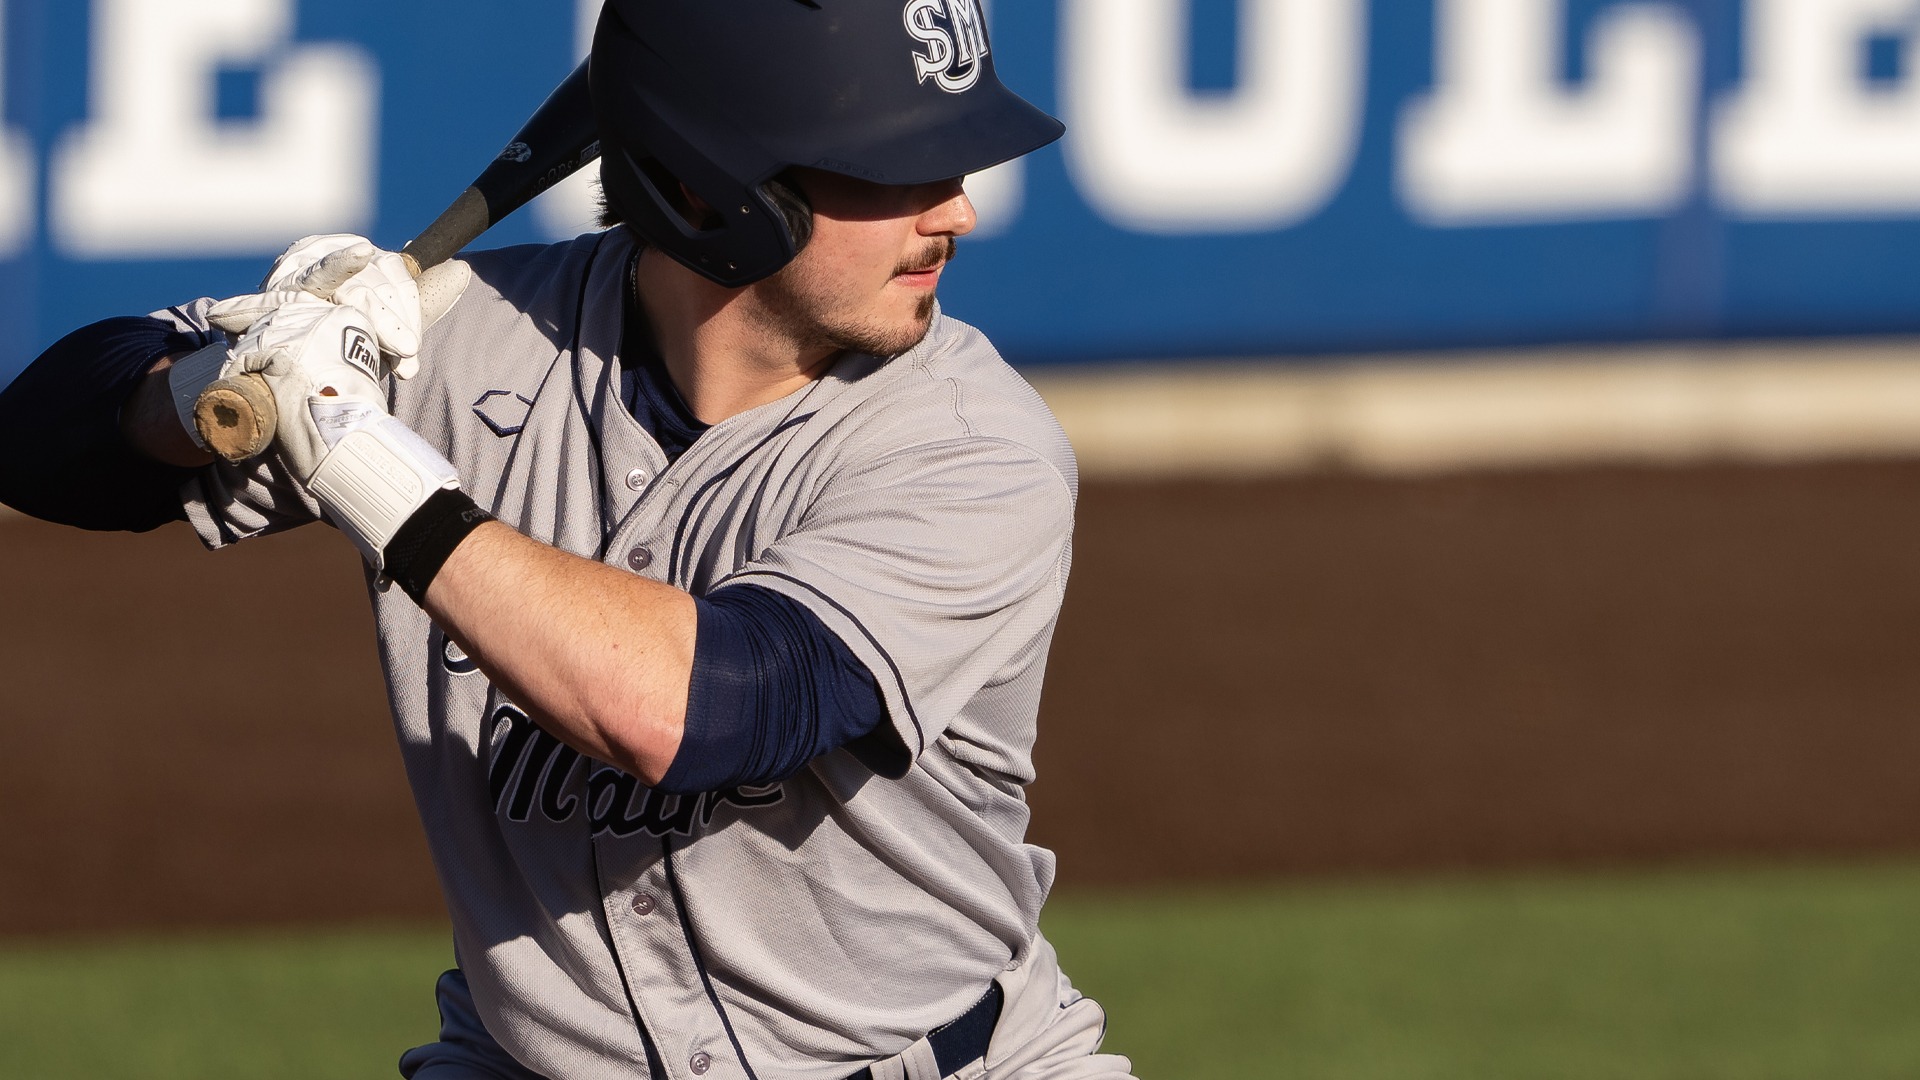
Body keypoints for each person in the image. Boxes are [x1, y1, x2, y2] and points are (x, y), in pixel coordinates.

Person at [0, 2, 1129, 1078]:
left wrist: (361, 462)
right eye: (897, 168)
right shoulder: (461, 340)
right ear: (717, 185)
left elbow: (697, 710)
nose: (956, 211)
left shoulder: (973, 448)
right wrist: (221, 385)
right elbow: (43, 444)